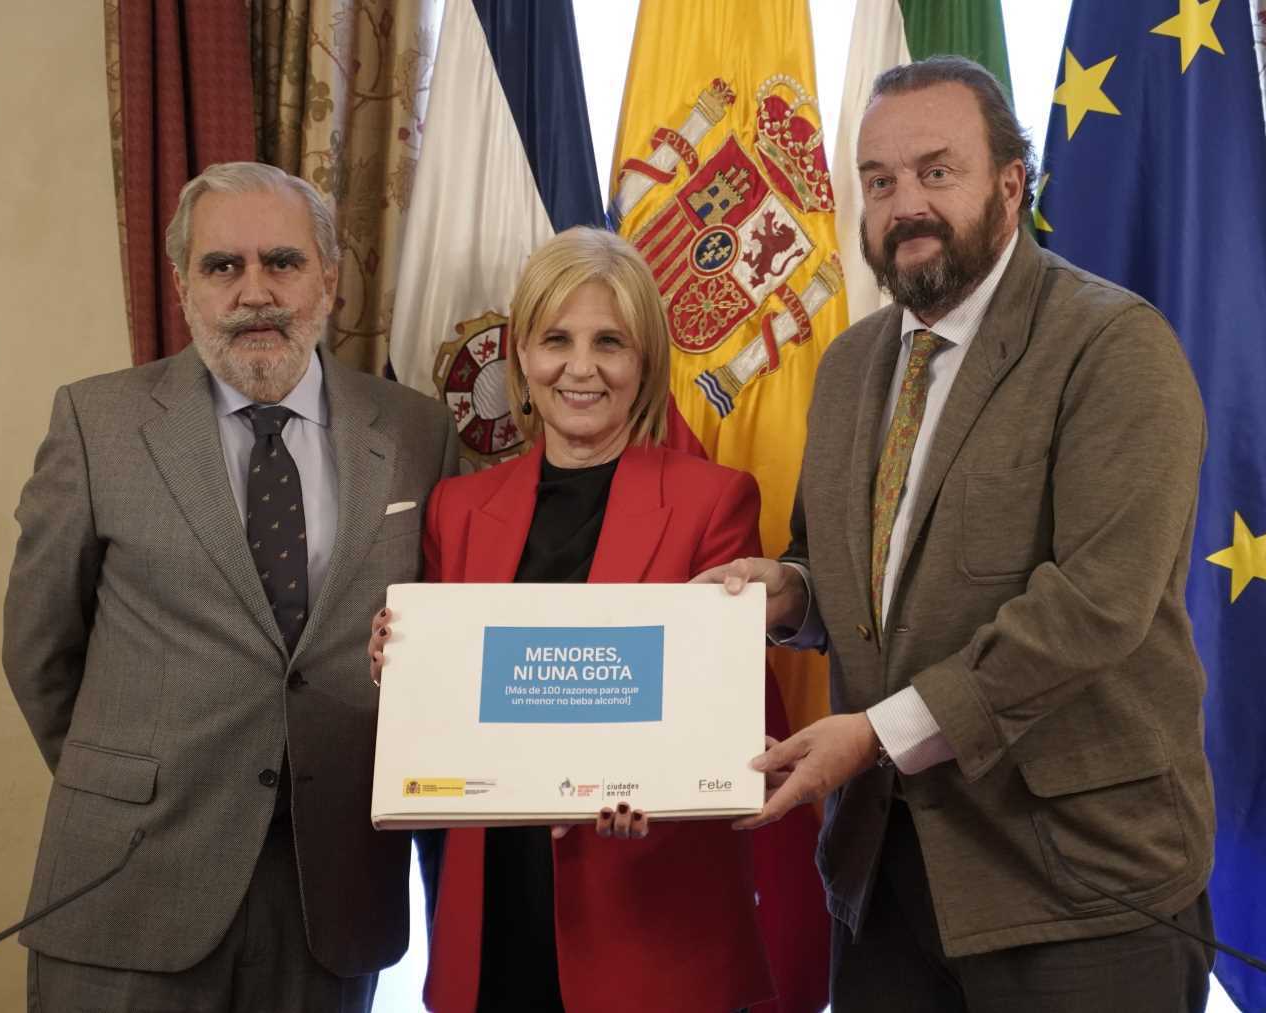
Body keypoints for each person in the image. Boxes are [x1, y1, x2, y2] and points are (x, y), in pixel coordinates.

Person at [697, 56, 1219, 1012]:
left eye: (937, 171)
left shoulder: (1114, 347)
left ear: (1010, 185)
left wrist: (877, 736)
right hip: (885, 880)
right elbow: (852, 568)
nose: (906, 206)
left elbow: (1094, 607)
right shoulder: (853, 365)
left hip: (1077, 892)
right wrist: (791, 593)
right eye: (880, 180)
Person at [3, 161, 457, 1011]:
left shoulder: (417, 430)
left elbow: (456, 629)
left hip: (329, 892)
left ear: (329, 278)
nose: (255, 291)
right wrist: (132, 781)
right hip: (129, 880)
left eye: (282, 262)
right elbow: (39, 649)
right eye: (223, 266)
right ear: (184, 287)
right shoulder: (97, 424)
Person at [369, 227, 775, 1013]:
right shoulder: (457, 509)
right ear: (521, 353)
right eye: (556, 338)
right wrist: (400, 665)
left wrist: (655, 785)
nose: (580, 367)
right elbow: (451, 706)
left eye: (609, 343)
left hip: (648, 919)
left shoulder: (712, 502)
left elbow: (725, 716)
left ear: (645, 361)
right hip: (494, 907)